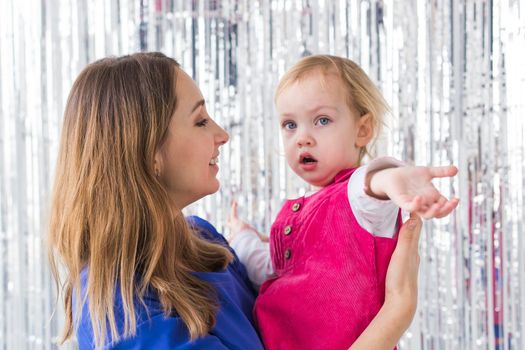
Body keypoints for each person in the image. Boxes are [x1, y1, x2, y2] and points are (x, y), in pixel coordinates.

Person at [47, 52, 423, 349]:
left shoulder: (203, 241)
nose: (222, 134)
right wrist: (396, 311)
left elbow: (288, 297)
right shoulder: (124, 313)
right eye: (199, 121)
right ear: (150, 155)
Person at [227, 54, 459, 350]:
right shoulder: (294, 215)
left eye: (322, 120)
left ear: (362, 130)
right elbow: (268, 271)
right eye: (289, 125)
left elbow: (371, 183)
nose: (302, 138)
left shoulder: (357, 198)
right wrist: (243, 237)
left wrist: (393, 178)